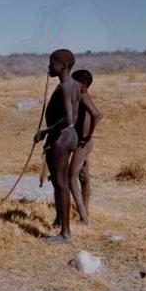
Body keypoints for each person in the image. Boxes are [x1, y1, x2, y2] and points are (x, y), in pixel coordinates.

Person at [34, 49, 80, 244]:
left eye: (52, 63)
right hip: (70, 137)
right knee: (58, 182)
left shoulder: (64, 88)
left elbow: (69, 118)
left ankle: (65, 233)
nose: (49, 67)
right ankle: (60, 220)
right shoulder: (73, 85)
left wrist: (45, 132)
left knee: (61, 184)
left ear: (63, 66)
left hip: (62, 137)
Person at [70, 70, 103, 225]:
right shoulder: (79, 97)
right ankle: (86, 212)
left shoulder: (83, 96)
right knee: (84, 178)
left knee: (71, 178)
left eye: (74, 82)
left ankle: (83, 218)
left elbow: (97, 115)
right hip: (82, 142)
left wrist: (88, 135)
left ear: (82, 85)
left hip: (83, 144)